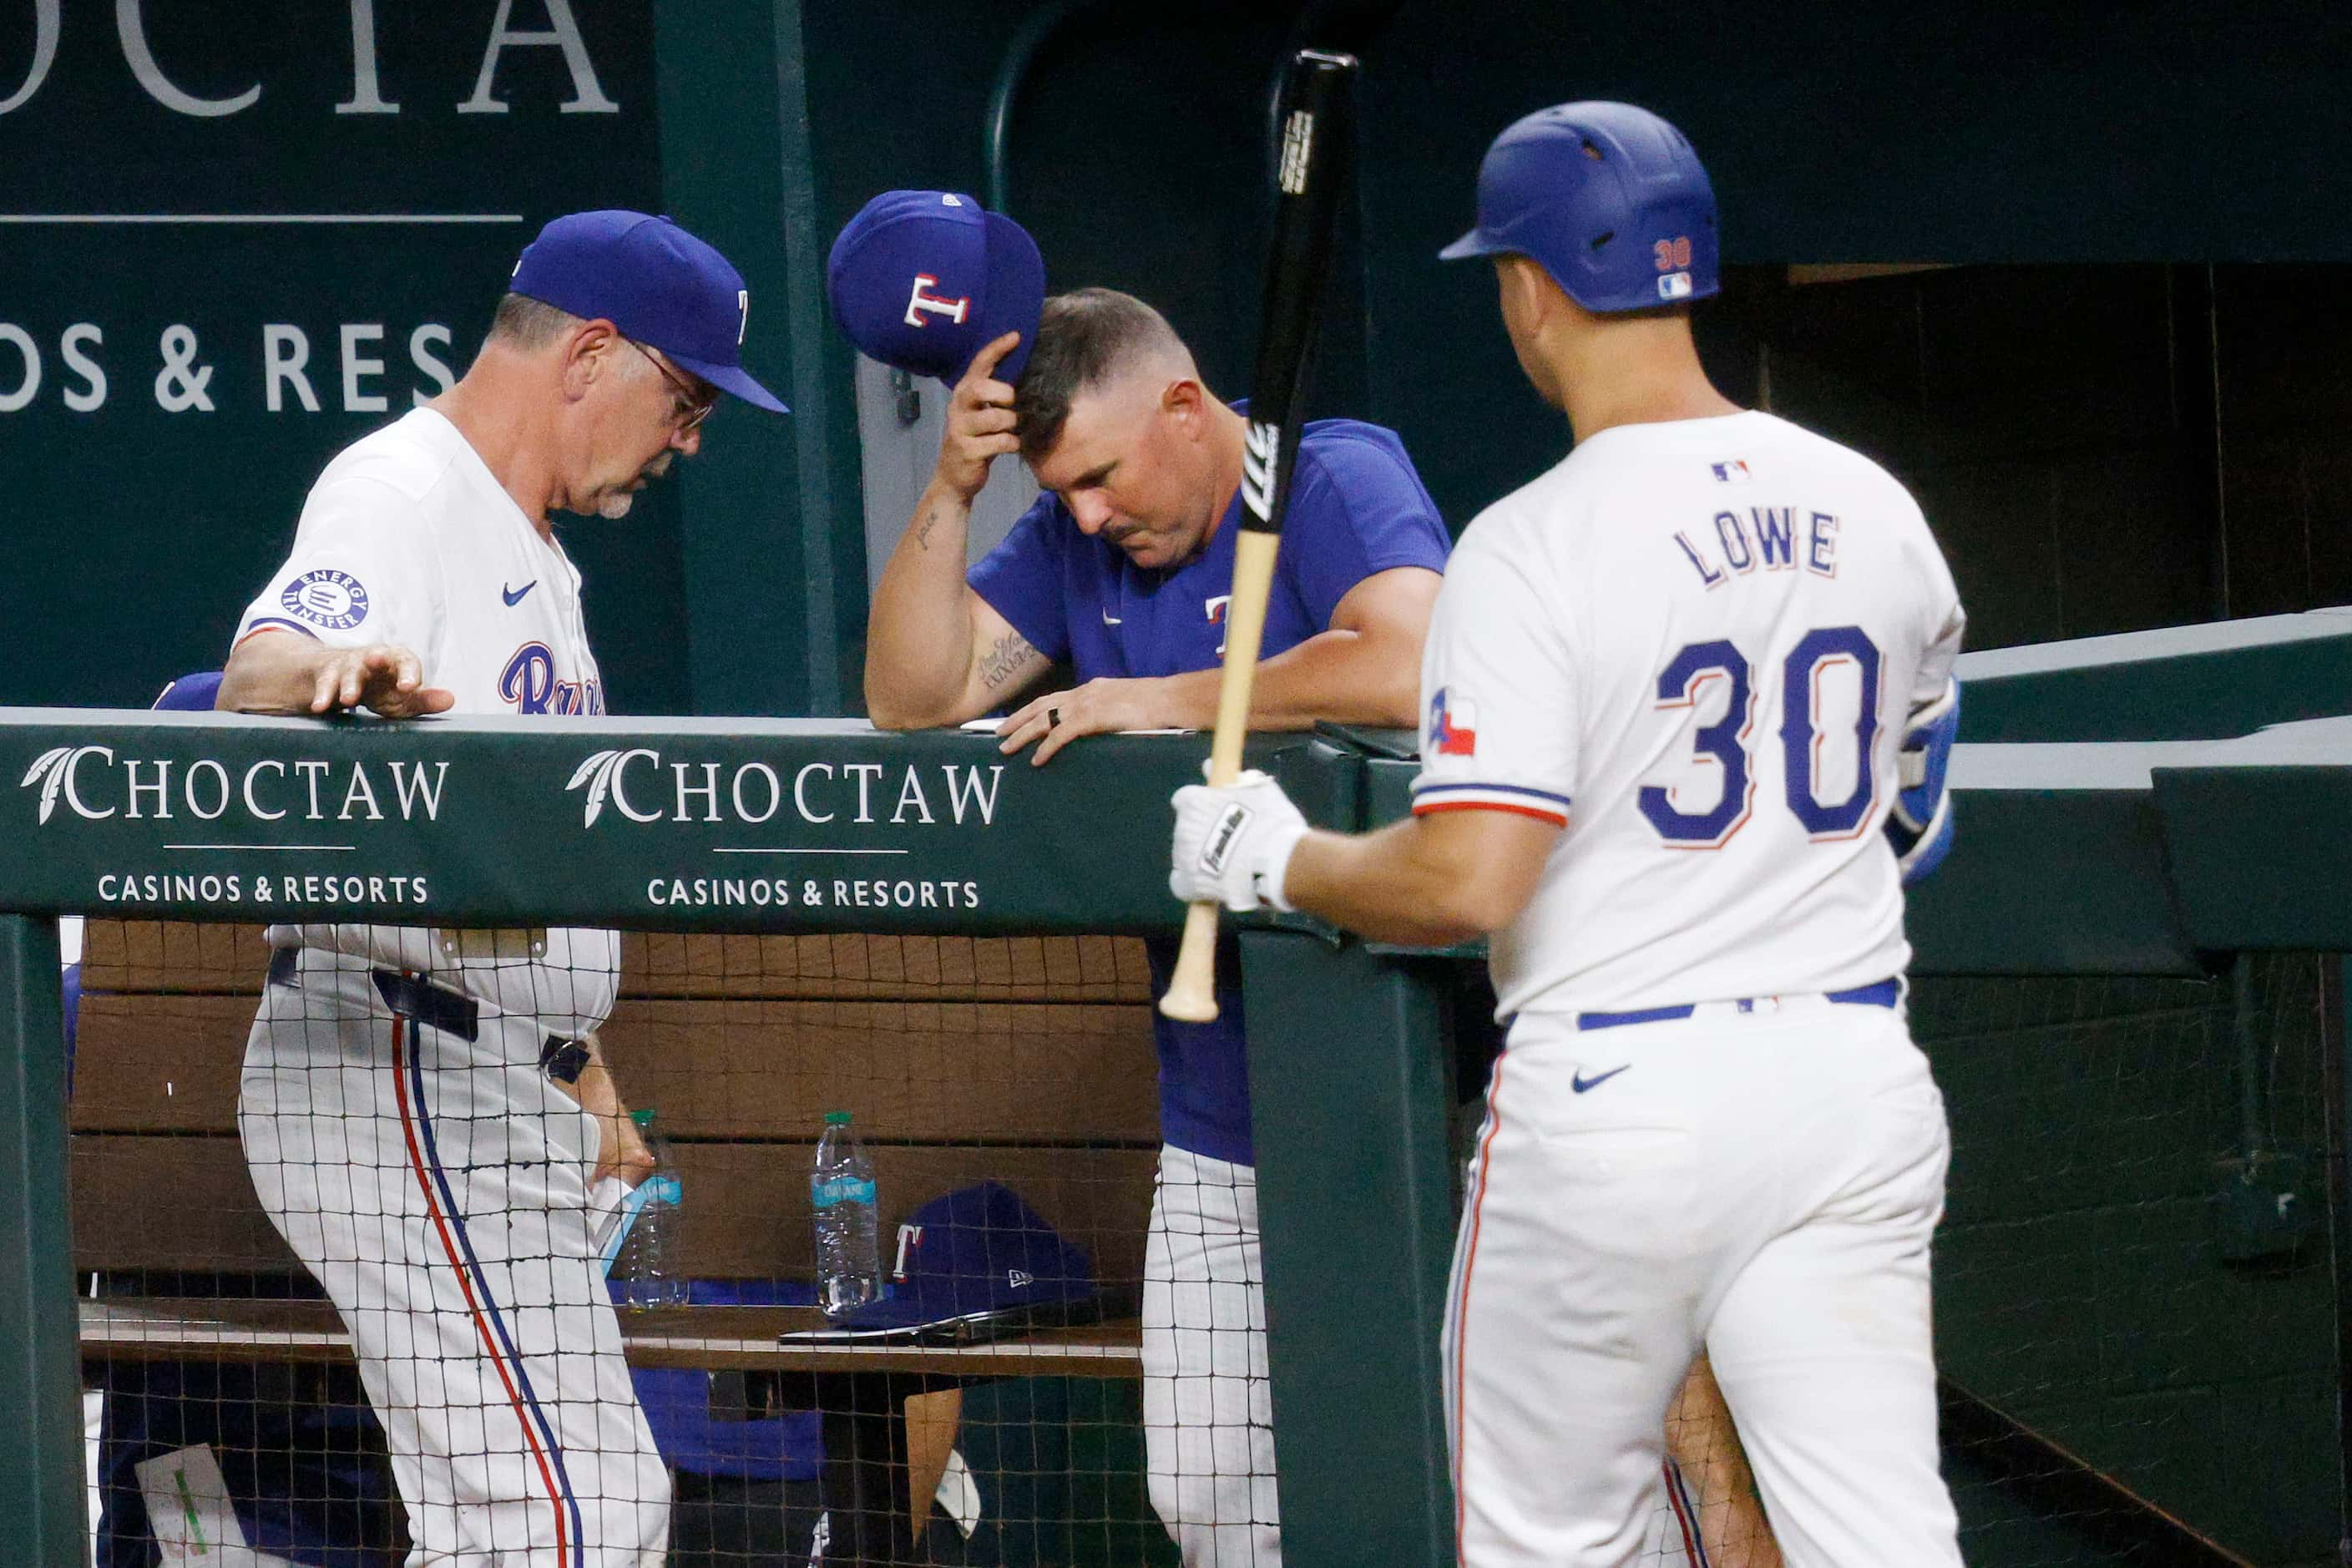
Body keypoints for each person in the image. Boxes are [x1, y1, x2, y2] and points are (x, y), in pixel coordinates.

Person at [1170, 101, 1966, 1567]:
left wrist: (1273, 859)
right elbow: (1914, 814)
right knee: (1883, 1540)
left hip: (1620, 1092)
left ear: (1529, 290)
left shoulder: (1535, 539)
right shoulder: (1880, 505)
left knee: (1548, 1541)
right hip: (1852, 1076)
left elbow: (1468, 878)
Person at [215, 208, 788, 1565]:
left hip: (484, 1070)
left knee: (549, 1518)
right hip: (395, 1054)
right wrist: (327, 677)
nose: (692, 437)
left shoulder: (533, 550)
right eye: (688, 397)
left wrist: (578, 1066)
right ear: (592, 353)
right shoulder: (404, 487)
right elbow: (260, 670)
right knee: (560, 1518)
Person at [860, 281, 1449, 1565]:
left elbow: (1411, 660)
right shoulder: (1080, 545)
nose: (1087, 512)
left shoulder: (1332, 474)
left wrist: (1157, 699)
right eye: (1060, 488)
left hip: (1399, 1104)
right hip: (1218, 1114)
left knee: (1432, 1485)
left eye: (1103, 476)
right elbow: (915, 696)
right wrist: (955, 493)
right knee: (1205, 1491)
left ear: (1187, 408)